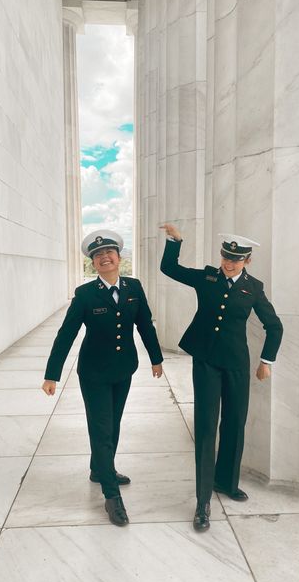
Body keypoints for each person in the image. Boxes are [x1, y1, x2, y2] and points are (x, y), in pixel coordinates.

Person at [160, 224, 283, 532]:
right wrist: (176, 241)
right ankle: (203, 501)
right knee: (205, 426)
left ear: (247, 261)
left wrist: (266, 360)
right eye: (226, 257)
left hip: (237, 365)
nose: (228, 264)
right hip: (206, 361)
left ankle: (226, 482)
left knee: (234, 423)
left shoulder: (254, 287)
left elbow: (274, 326)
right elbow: (169, 268)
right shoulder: (207, 277)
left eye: (236, 260)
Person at [42, 230, 163, 527]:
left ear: (119, 258)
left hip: (124, 369)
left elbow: (145, 325)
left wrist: (156, 358)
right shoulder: (85, 294)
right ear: (93, 263)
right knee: (101, 428)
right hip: (94, 372)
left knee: (114, 423)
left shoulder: (134, 287)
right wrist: (52, 374)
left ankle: (100, 469)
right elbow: (66, 335)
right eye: (98, 256)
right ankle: (111, 496)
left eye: (109, 253)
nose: (105, 258)